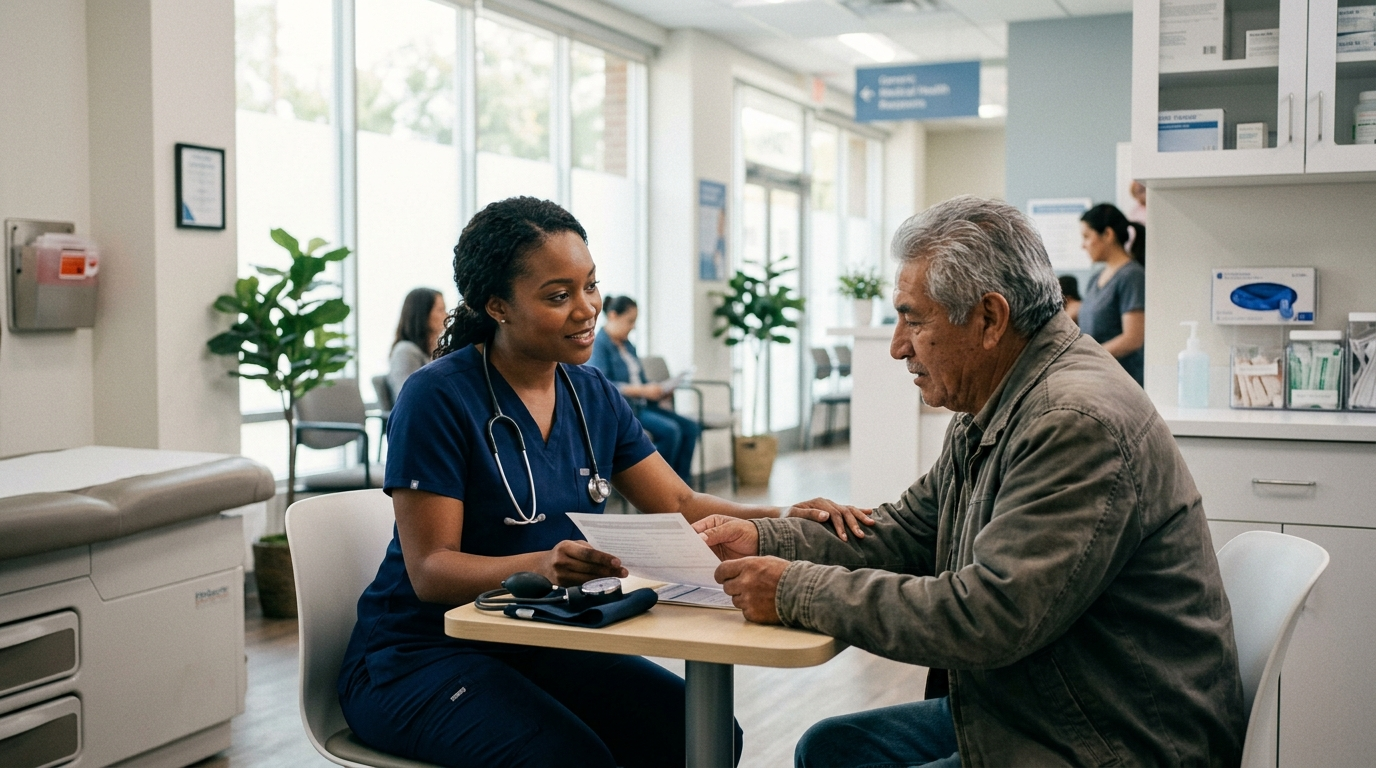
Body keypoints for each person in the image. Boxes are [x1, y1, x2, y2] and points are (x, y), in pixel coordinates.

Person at [695, 196, 1245, 767]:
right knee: (831, 749)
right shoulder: (997, 399)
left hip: (1119, 738)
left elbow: (988, 616)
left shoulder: (1072, 422)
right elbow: (908, 532)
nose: (897, 345)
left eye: (914, 318)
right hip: (1057, 704)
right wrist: (765, 540)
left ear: (989, 319)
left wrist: (794, 588)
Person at [337, 197, 860, 768]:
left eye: (591, 286)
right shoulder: (437, 397)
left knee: (696, 733)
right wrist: (541, 566)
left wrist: (784, 516)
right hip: (421, 655)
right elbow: (431, 571)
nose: (586, 309)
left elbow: (680, 502)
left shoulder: (591, 394)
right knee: (572, 760)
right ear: (497, 306)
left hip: (541, 638)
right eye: (558, 296)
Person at [590, 296, 700, 484]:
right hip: (627, 410)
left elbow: (641, 380)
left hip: (645, 405)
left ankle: (682, 488)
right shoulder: (599, 345)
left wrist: (660, 389)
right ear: (613, 316)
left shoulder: (628, 345)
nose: (633, 327)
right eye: (630, 321)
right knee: (671, 431)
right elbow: (603, 384)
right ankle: (658, 488)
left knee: (690, 427)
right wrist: (642, 390)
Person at [1078, 203, 1146, 386]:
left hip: (1122, 384)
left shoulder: (1132, 276)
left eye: (1086, 237)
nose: (1082, 245)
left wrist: (1086, 357)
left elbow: (1133, 338)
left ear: (1108, 234)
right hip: (1096, 379)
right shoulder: (1095, 279)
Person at [387, 287, 446, 398]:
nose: (447, 315)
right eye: (440, 310)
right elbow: (407, 396)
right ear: (423, 314)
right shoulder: (405, 351)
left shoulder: (431, 351)